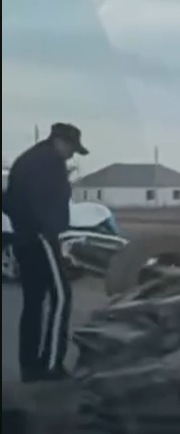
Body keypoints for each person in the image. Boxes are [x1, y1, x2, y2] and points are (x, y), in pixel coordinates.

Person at [5, 122, 88, 381]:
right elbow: (40, 203)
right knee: (61, 296)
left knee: (34, 302)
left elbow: (10, 200)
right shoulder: (45, 163)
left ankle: (30, 367)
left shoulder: (30, 160)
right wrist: (47, 231)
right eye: (71, 148)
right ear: (59, 141)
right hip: (41, 237)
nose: (71, 155)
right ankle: (51, 365)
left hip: (26, 238)